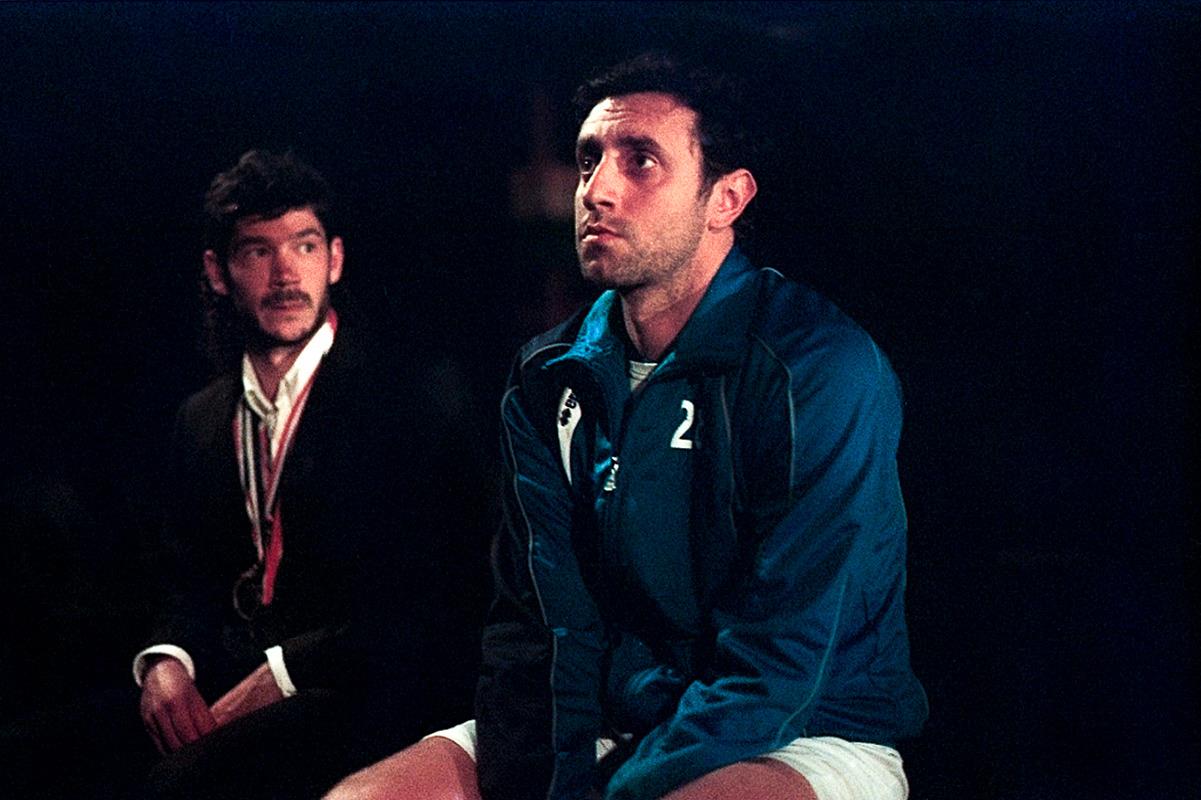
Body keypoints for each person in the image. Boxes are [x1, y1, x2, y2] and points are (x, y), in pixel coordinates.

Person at [326, 52, 927, 800]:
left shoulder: (819, 367)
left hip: (798, 730)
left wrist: (620, 790)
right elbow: (540, 628)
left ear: (725, 198)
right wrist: (553, 777)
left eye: (640, 160)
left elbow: (782, 661)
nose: (596, 190)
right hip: (605, 721)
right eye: (589, 160)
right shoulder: (547, 375)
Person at [135, 150, 485, 799]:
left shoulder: (408, 399)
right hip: (230, 677)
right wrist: (166, 662)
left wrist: (279, 673)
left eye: (304, 245)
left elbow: (423, 604)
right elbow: (184, 581)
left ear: (335, 259)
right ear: (217, 272)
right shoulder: (200, 419)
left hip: (359, 691)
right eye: (257, 251)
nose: (285, 273)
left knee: (176, 785)